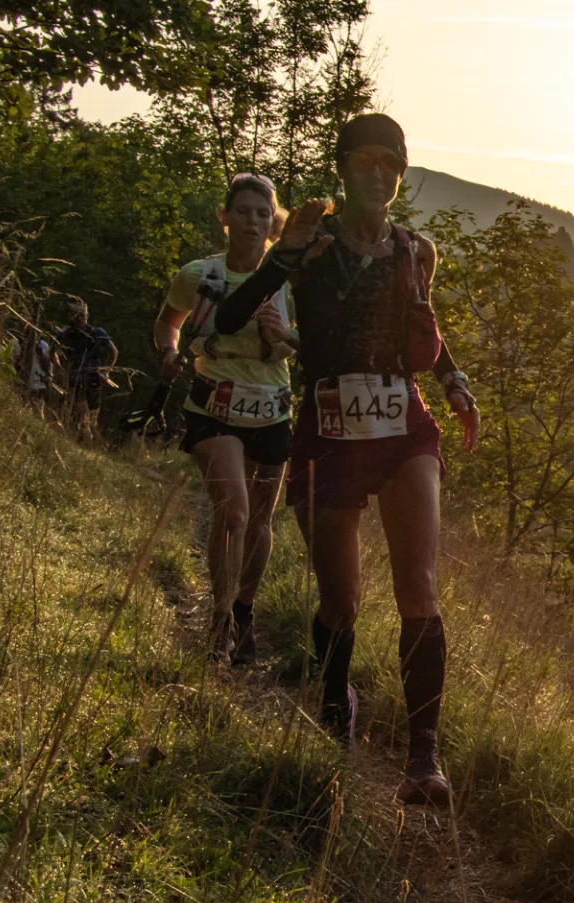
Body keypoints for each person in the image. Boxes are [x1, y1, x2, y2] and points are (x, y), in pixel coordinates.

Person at [215, 114, 480, 807]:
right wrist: (280, 256)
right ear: (342, 168)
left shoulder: (413, 250)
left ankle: (425, 760)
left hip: (403, 427)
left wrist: (453, 383)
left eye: (388, 163)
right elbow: (232, 317)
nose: (376, 174)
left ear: (399, 173)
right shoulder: (309, 245)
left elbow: (426, 327)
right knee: (341, 600)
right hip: (329, 434)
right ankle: (336, 711)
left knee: (417, 583)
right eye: (363, 161)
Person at [154, 172, 297, 665]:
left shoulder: (289, 279)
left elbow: (303, 345)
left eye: (263, 214)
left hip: (272, 408)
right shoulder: (198, 275)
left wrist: (283, 335)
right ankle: (219, 620)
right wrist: (169, 354)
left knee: (258, 522)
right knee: (234, 513)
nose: (253, 222)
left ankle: (244, 611)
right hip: (212, 407)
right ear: (225, 217)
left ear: (273, 222)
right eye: (243, 212)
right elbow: (168, 322)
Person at [56, 299, 116, 441]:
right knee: (83, 412)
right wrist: (60, 369)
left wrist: (106, 370)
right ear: (71, 317)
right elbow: (54, 350)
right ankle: (86, 439)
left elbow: (113, 351)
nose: (81, 319)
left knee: (93, 413)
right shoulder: (66, 334)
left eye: (83, 315)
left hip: (94, 375)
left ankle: (90, 442)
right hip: (76, 375)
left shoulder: (97, 332)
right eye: (78, 315)